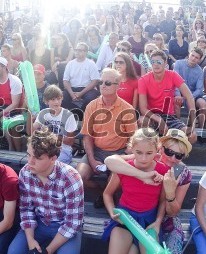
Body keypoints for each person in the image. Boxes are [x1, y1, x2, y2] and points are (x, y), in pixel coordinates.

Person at [105, 128, 193, 254]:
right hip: (126, 219)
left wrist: (158, 221)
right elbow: (108, 190)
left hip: (151, 220)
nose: (143, 158)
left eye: (179, 155)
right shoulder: (129, 163)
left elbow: (166, 205)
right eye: (169, 151)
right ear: (161, 149)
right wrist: (112, 212)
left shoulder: (170, 172)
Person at [7, 129, 84, 254]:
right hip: (40, 221)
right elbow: (26, 209)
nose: (30, 162)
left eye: (37, 158)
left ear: (53, 158)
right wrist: (31, 242)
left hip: (65, 225)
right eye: (28, 155)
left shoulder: (71, 178)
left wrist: (48, 251)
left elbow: (73, 223)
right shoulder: (25, 173)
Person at [76, 68, 137, 208]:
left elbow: (133, 139)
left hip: (119, 152)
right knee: (78, 178)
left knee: (115, 181)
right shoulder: (92, 106)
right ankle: (103, 193)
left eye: (108, 83)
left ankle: (107, 196)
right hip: (96, 150)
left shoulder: (127, 108)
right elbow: (87, 136)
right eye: (101, 82)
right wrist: (91, 159)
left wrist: (125, 154)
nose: (103, 85)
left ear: (118, 85)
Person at [138, 50, 197, 141]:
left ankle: (175, 154)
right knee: (142, 122)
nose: (156, 64)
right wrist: (159, 120)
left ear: (165, 63)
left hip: (169, 116)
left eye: (159, 62)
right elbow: (143, 108)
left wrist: (191, 121)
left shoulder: (172, 75)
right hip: (151, 115)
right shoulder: (143, 80)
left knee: (192, 136)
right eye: (153, 62)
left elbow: (189, 97)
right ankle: (150, 152)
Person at [32, 85, 77, 165]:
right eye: (53, 99)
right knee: (34, 162)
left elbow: (70, 141)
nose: (57, 102)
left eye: (59, 98)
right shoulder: (43, 113)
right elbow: (32, 132)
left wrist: (50, 136)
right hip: (45, 148)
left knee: (50, 164)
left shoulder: (68, 115)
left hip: (62, 149)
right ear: (46, 101)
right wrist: (30, 115)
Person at [0, 57, 24, 151]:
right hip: (2, 109)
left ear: (4, 68)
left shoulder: (14, 81)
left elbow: (15, 104)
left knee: (5, 119)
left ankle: (13, 148)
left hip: (16, 110)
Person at [62, 42, 100, 114]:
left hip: (87, 89)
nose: (77, 52)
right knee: (62, 98)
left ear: (86, 52)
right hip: (72, 88)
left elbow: (95, 81)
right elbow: (65, 80)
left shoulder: (91, 63)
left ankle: (81, 114)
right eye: (76, 50)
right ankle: (74, 113)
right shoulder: (70, 64)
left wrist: (81, 93)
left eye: (80, 50)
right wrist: (71, 93)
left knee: (90, 98)